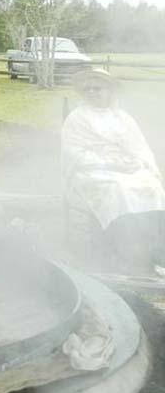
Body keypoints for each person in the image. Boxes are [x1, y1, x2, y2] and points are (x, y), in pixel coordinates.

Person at [62, 68, 165, 271]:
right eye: (87, 89)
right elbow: (73, 152)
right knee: (119, 188)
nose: (91, 92)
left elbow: (140, 146)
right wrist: (109, 163)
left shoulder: (123, 118)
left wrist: (139, 162)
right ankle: (120, 249)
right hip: (92, 169)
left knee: (150, 185)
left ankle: (152, 248)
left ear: (109, 91)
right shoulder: (77, 118)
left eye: (97, 88)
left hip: (126, 166)